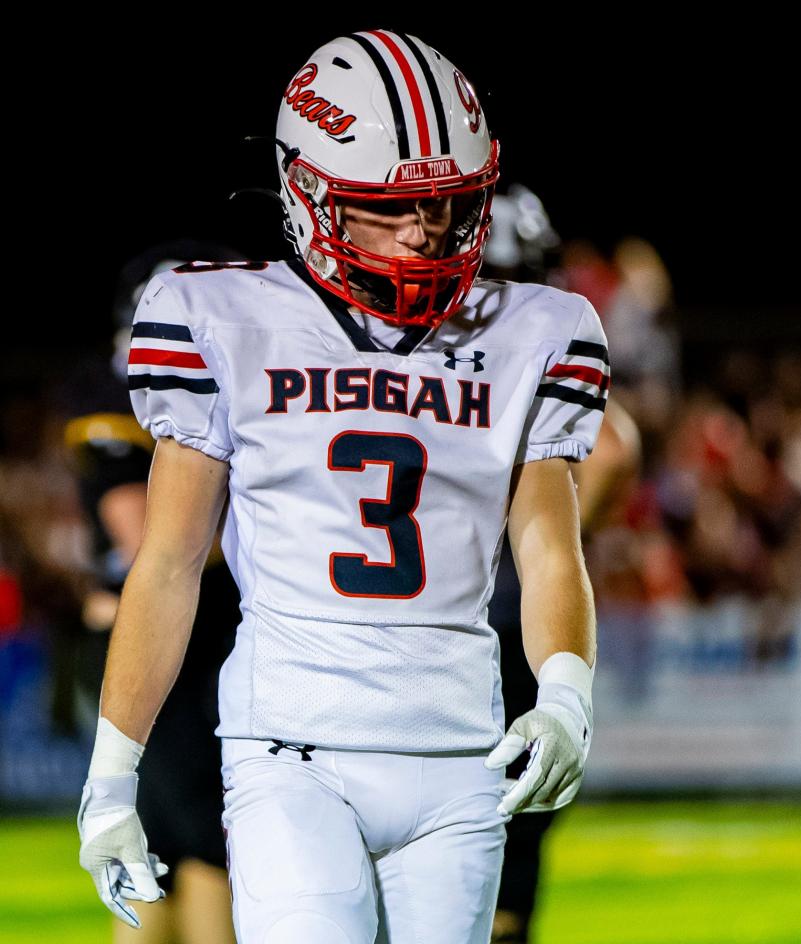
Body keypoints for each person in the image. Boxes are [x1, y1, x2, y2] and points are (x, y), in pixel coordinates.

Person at [77, 30, 607, 944]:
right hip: (292, 749)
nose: (426, 230)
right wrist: (112, 773)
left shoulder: (537, 328)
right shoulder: (219, 315)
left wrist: (564, 691)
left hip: (460, 751)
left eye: (447, 202)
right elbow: (166, 565)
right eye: (388, 208)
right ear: (309, 193)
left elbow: (549, 547)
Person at [65, 242, 242, 944]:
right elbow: (151, 544)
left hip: (185, 643)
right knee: (208, 843)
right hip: (151, 646)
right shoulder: (117, 400)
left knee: (159, 852)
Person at [481, 185, 641, 943]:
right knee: (516, 814)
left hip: (426, 608)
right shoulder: (545, 335)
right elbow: (614, 452)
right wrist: (552, 535)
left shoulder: (409, 338)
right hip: (520, 606)